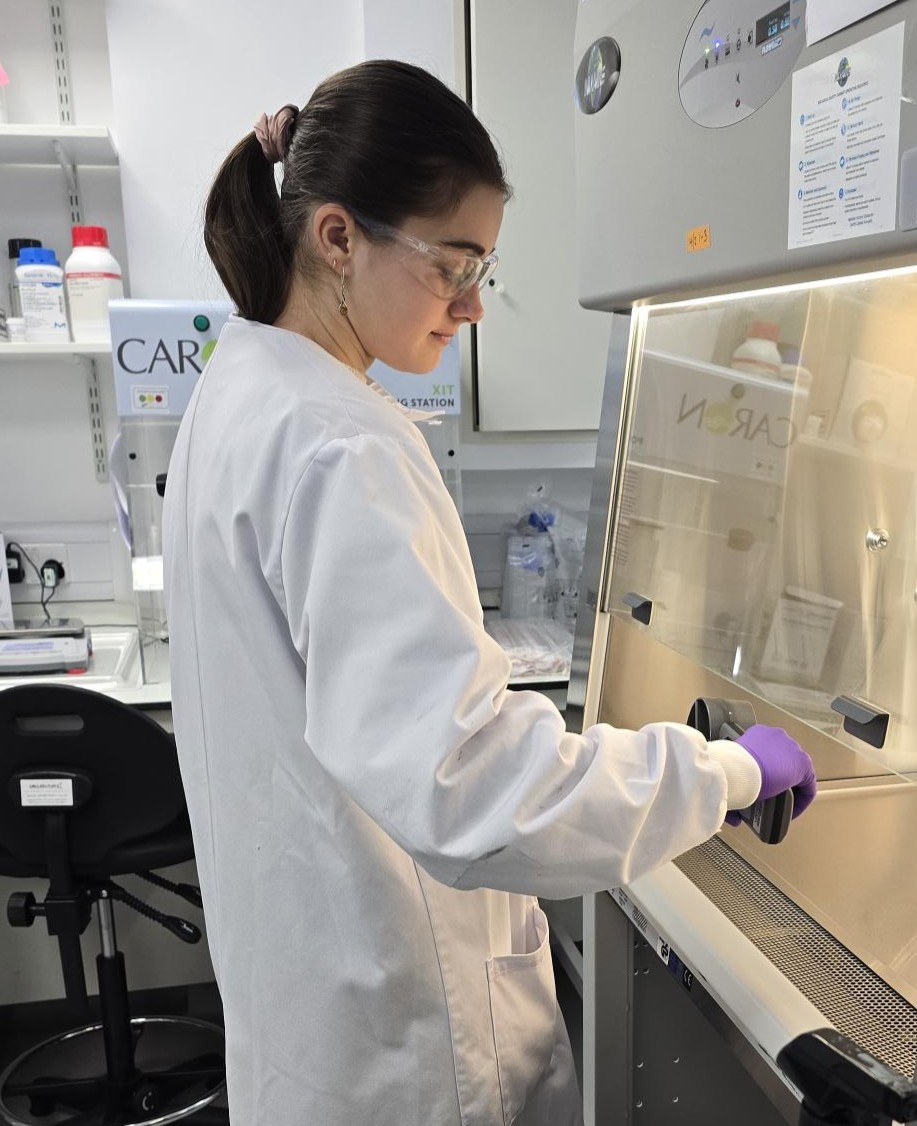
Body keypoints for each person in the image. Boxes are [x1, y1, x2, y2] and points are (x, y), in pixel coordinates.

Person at [163, 59, 816, 1126]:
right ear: (337, 237)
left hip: (320, 1010)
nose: (472, 305)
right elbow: (471, 788)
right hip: (407, 1043)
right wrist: (724, 772)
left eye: (485, 268)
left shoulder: (241, 389)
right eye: (451, 263)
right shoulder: (339, 442)